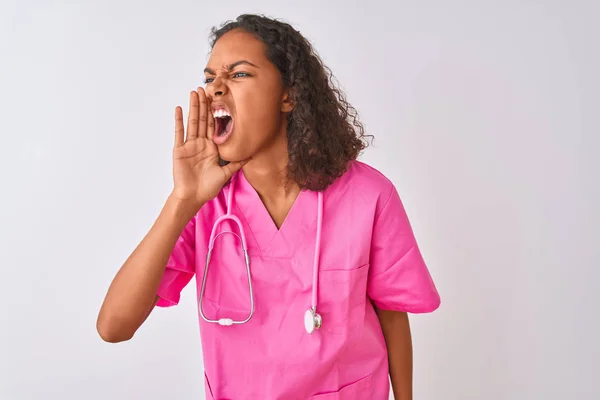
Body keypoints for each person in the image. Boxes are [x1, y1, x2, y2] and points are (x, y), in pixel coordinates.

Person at [97, 14, 440, 400]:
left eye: (239, 75)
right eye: (211, 78)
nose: (216, 89)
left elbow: (391, 314)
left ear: (288, 95)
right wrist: (182, 200)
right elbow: (114, 326)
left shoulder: (368, 194)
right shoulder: (204, 206)